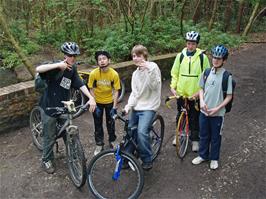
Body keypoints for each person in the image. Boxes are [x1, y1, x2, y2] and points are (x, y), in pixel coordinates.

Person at [36, 42, 96, 174]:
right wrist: (58, 65)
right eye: (70, 55)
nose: (73, 58)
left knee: (68, 131)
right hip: (49, 106)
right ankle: (46, 159)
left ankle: (74, 155)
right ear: (65, 55)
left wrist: (91, 97)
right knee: (50, 136)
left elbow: (79, 84)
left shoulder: (73, 69)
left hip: (64, 105)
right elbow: (38, 69)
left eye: (75, 56)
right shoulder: (56, 66)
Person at [192, 45, 233, 170]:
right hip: (204, 111)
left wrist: (217, 108)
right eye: (214, 57)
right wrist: (202, 102)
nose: (215, 60)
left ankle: (214, 158)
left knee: (216, 137)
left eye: (219, 58)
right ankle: (203, 155)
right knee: (203, 134)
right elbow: (201, 89)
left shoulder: (227, 76)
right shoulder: (206, 72)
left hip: (217, 114)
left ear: (224, 60)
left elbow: (229, 96)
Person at [170, 31, 210, 152]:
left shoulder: (203, 58)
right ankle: (179, 134)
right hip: (182, 93)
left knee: (194, 117)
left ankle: (195, 139)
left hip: (195, 94)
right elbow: (175, 73)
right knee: (180, 114)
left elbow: (207, 76)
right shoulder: (180, 56)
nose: (190, 46)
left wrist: (198, 93)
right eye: (188, 43)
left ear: (197, 44)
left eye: (193, 44)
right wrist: (173, 87)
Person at [124, 44, 161, 170]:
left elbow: (154, 87)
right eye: (134, 56)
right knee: (130, 130)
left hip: (150, 105)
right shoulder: (135, 74)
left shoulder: (153, 67)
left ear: (144, 56)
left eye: (138, 55)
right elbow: (135, 93)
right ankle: (128, 156)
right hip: (137, 105)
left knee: (141, 132)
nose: (136, 58)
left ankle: (147, 158)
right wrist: (128, 106)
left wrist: (148, 70)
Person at [88, 50, 121, 156]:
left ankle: (112, 140)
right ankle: (99, 144)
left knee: (110, 122)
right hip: (97, 102)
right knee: (97, 124)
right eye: (99, 59)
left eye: (104, 59)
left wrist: (115, 107)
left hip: (109, 102)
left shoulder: (114, 74)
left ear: (109, 60)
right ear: (97, 62)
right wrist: (93, 102)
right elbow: (91, 88)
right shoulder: (94, 74)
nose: (102, 61)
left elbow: (116, 91)